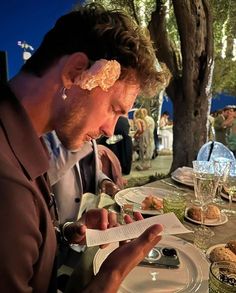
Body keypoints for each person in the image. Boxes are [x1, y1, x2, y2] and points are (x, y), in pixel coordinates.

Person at [0, 3, 169, 292]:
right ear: (76, 72)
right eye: (115, 109)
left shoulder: (23, 140)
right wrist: (113, 274)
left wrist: (65, 232)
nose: (109, 130)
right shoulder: (8, 186)